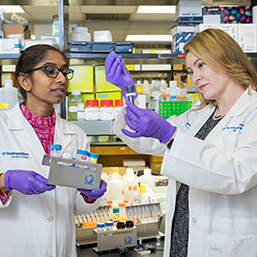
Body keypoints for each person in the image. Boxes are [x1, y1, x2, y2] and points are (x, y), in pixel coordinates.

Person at [105, 28, 257, 257]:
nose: (195, 77)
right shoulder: (199, 115)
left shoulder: (252, 111)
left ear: (226, 57)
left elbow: (240, 173)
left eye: (201, 65)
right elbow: (145, 140)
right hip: (183, 239)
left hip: (224, 245)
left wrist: (171, 135)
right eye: (190, 70)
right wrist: (127, 93)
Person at [0, 44, 106, 257]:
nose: (62, 79)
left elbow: (76, 207)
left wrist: (89, 197)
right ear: (25, 81)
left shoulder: (76, 135)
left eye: (65, 72)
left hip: (62, 249)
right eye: (50, 71)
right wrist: (5, 181)